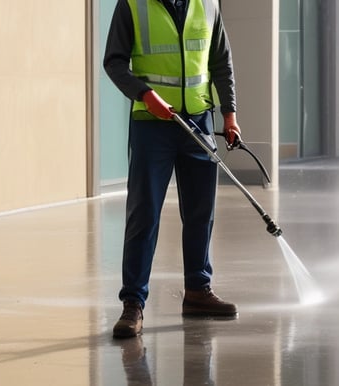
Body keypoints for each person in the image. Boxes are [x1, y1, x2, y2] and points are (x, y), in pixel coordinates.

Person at [104, 0, 242, 338]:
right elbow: (115, 62)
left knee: (200, 213)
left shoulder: (208, 4)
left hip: (198, 121)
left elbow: (220, 60)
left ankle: (198, 290)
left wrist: (229, 115)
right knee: (144, 214)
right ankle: (133, 303)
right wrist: (145, 94)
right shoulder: (133, 6)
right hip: (152, 124)